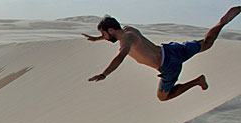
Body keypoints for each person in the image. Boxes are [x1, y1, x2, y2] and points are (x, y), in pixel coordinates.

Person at [84, 6, 240, 101]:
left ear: (110, 30)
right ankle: (222, 22)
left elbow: (119, 57)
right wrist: (97, 38)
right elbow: (111, 36)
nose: (104, 36)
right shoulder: (128, 29)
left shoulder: (126, 40)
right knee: (206, 43)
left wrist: (104, 74)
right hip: (170, 50)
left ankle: (197, 81)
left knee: (163, 97)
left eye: (103, 33)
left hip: (168, 66)